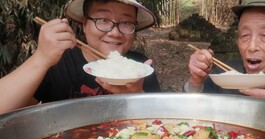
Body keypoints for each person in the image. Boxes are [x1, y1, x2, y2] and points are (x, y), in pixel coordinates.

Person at [0, 0, 160, 115]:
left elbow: (160, 123)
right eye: (103, 20)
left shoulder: (140, 67)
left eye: (126, 23)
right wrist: (41, 58)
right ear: (84, 24)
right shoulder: (58, 61)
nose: (115, 32)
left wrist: (138, 94)